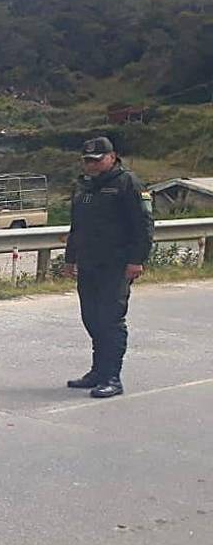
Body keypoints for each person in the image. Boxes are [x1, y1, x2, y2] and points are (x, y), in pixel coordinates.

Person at [61, 137, 154, 398]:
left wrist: (137, 260)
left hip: (116, 264)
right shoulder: (84, 185)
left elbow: (143, 225)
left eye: (97, 160)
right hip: (89, 262)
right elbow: (76, 226)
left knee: (110, 320)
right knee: (91, 317)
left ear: (112, 157)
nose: (92, 165)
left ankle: (112, 377)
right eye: (87, 160)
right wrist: (70, 259)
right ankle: (97, 371)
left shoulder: (128, 184)